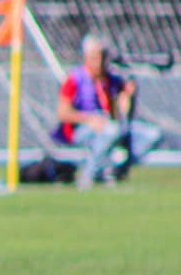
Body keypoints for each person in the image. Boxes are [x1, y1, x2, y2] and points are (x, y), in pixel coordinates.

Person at [54, 34, 163, 187]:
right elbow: (63, 113)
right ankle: (88, 175)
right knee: (111, 130)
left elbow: (122, 110)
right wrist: (90, 119)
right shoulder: (74, 80)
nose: (99, 62)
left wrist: (127, 96)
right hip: (82, 129)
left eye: (102, 57)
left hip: (112, 125)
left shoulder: (111, 79)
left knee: (152, 134)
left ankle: (116, 169)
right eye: (95, 57)